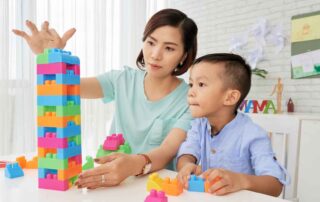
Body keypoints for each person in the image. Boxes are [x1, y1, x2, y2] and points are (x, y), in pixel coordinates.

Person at [13, 9, 198, 189]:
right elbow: (67, 86)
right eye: (151, 43)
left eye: (169, 48)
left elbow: (167, 151)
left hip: (157, 187)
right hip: (112, 185)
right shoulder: (122, 80)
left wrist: (133, 164)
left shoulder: (190, 99)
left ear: (183, 55)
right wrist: (50, 57)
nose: (155, 54)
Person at [176, 53, 289, 196]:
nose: (191, 92)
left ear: (230, 97)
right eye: (191, 84)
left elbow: (275, 185)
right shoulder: (199, 125)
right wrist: (186, 166)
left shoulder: (253, 134)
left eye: (201, 84)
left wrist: (241, 181)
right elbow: (188, 152)